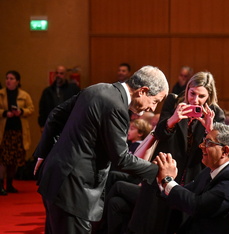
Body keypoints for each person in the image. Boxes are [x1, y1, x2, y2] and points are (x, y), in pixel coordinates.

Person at [33, 65, 169, 233]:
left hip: (57, 179)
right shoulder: (116, 106)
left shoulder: (97, 88)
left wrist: (43, 155)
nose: (153, 108)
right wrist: (159, 171)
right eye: (155, 101)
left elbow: (55, 116)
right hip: (74, 191)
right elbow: (121, 159)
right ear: (142, 90)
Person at [153, 122, 229, 234]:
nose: (201, 145)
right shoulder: (211, 169)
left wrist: (167, 180)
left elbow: (198, 206)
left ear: (225, 151)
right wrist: (162, 177)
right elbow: (185, 194)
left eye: (208, 142)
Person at [153, 71, 225, 184]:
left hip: (194, 173)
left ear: (209, 96)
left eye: (201, 96)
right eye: (192, 93)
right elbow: (158, 135)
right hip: (167, 165)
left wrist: (209, 130)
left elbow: (217, 154)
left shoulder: (216, 113)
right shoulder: (173, 102)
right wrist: (173, 120)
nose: (195, 100)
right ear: (187, 90)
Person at [0, 71, 34, 195]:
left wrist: (21, 112)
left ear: (17, 81)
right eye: (7, 78)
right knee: (3, 159)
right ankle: (0, 185)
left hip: (19, 131)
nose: (8, 80)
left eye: (11, 78)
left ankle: (9, 184)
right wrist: (4, 113)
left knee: (14, 160)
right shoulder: (1, 94)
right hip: (4, 132)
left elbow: (31, 109)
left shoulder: (24, 95)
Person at [38, 65, 80, 131]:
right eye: (57, 73)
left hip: (69, 125)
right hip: (52, 126)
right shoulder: (47, 91)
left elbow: (79, 107)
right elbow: (42, 110)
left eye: (61, 73)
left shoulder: (73, 89)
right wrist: (42, 125)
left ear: (65, 75)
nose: (58, 75)